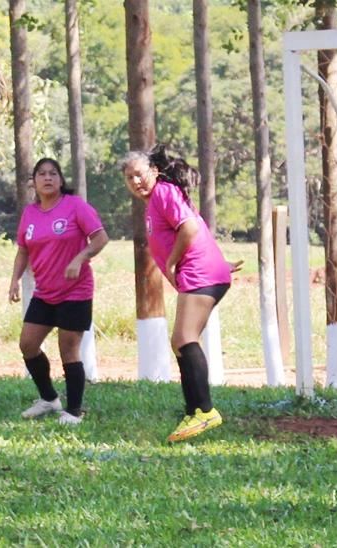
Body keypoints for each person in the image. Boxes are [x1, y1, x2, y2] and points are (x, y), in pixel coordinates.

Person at [121, 145, 234, 443]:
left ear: (155, 172)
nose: (136, 182)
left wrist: (172, 261)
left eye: (141, 174)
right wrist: (220, 262)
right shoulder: (157, 200)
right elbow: (197, 228)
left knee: (184, 338)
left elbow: (190, 229)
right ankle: (193, 410)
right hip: (204, 271)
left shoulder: (163, 192)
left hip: (200, 274)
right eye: (130, 177)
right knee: (181, 340)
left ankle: (205, 411)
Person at [9, 158, 109, 425]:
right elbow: (22, 250)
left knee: (68, 348)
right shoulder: (30, 213)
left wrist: (79, 258)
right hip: (45, 292)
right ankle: (49, 399)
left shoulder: (75, 206)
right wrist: (15, 280)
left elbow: (101, 238)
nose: (47, 178)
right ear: (34, 182)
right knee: (28, 344)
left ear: (61, 180)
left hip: (76, 291)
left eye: (53, 173)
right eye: (41, 174)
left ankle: (74, 412)